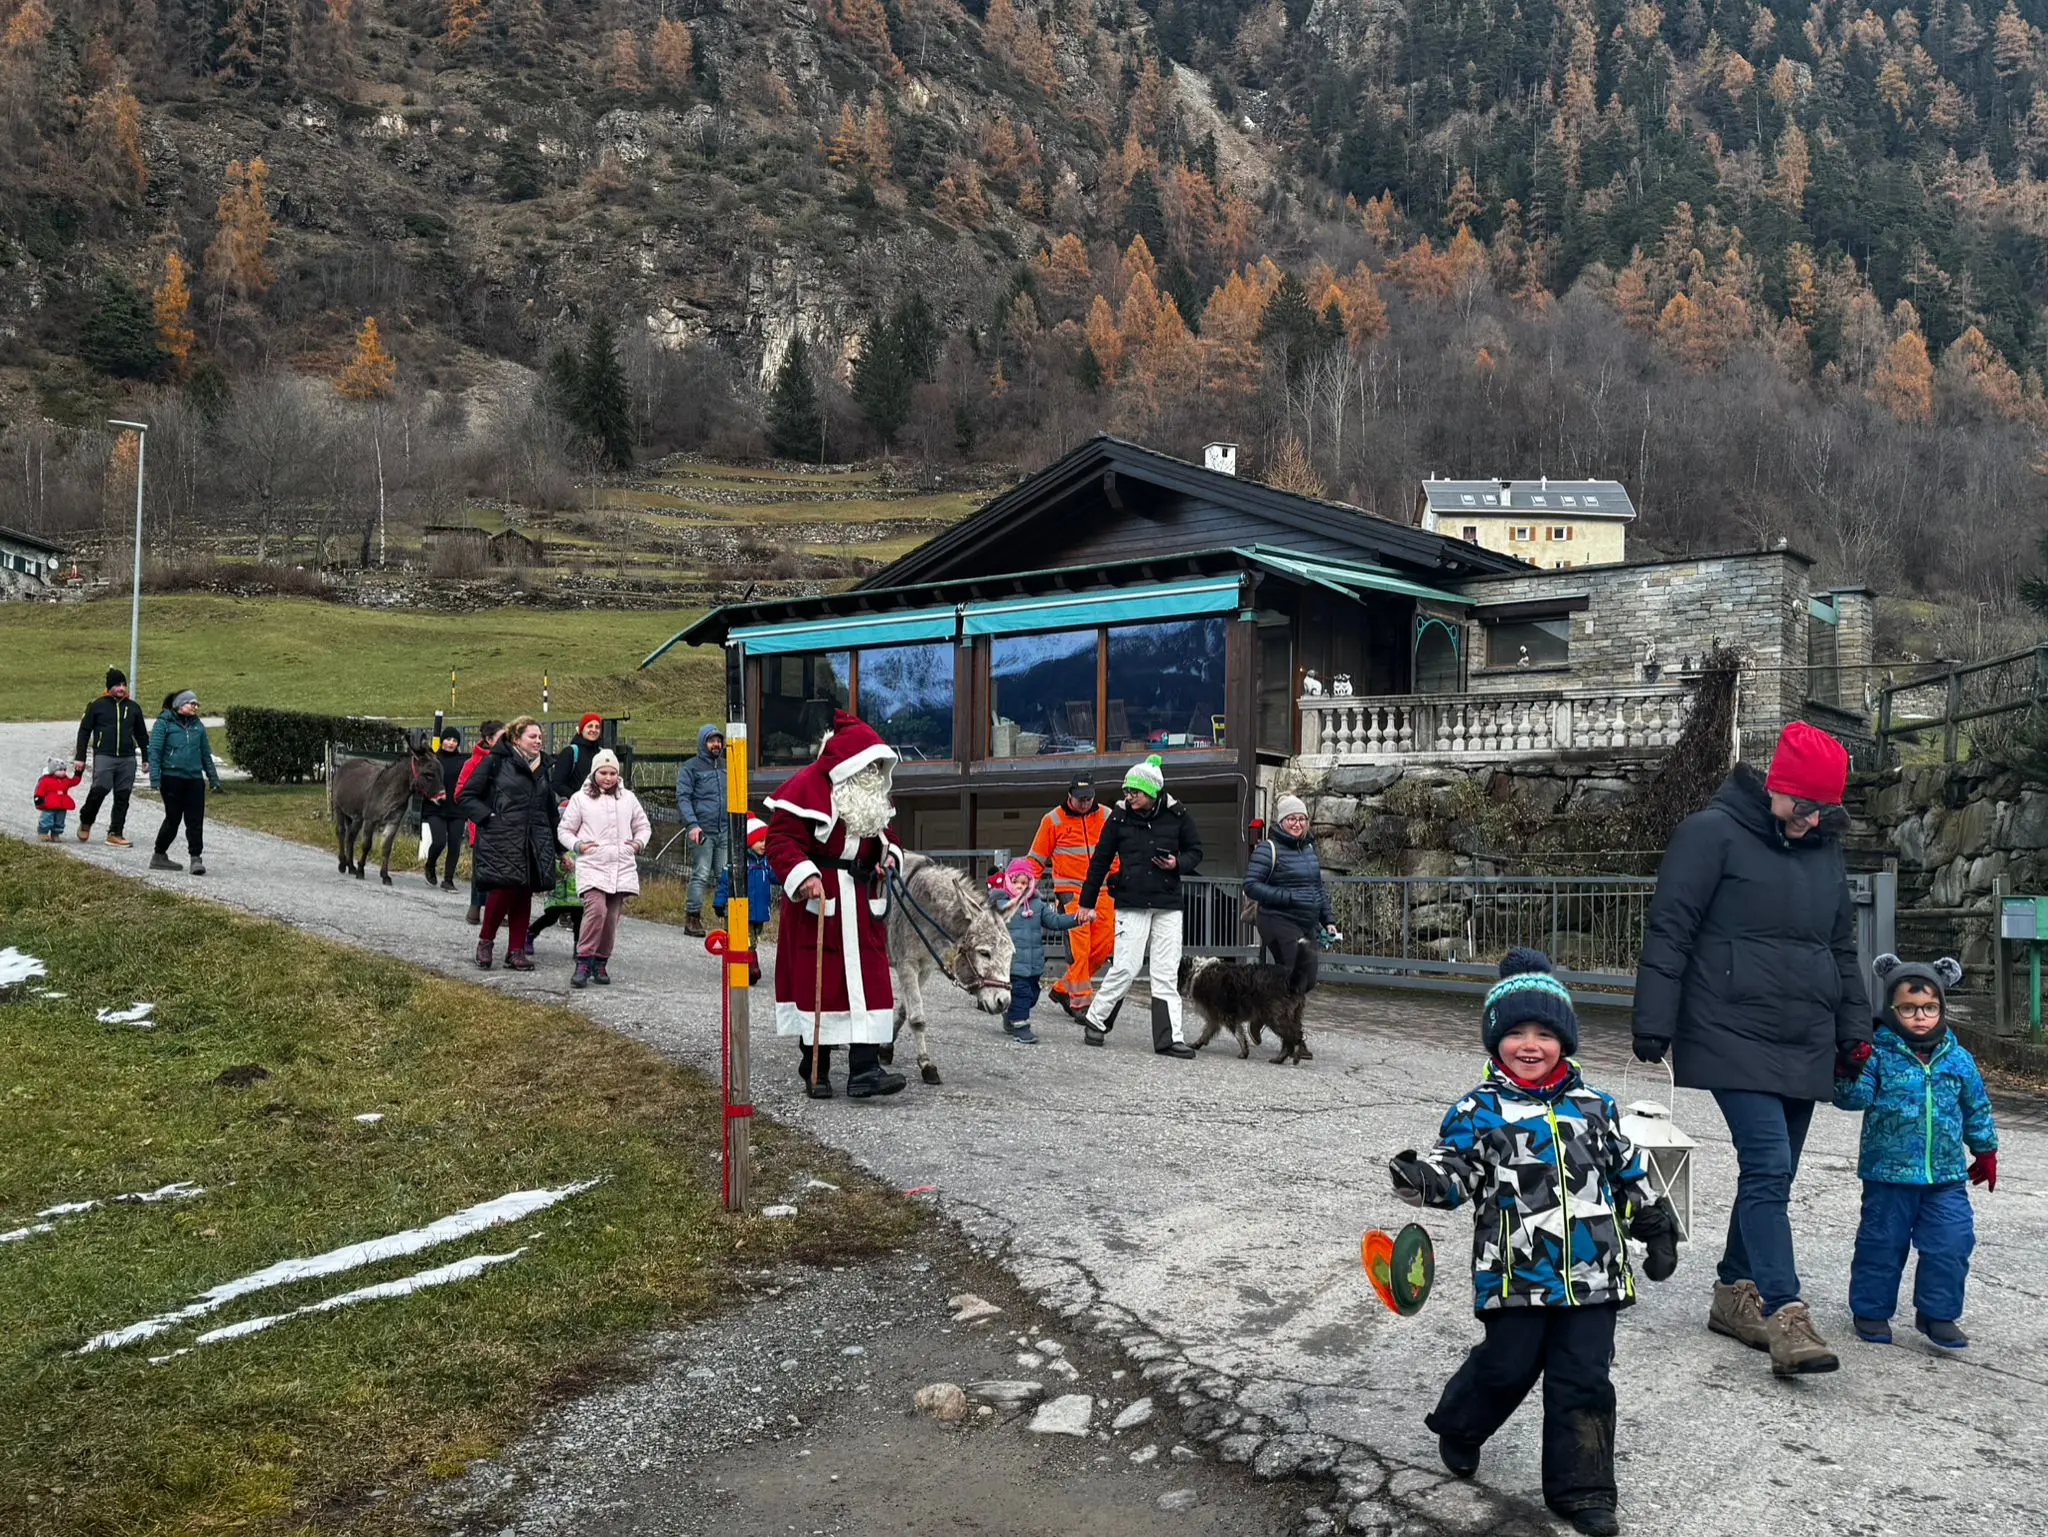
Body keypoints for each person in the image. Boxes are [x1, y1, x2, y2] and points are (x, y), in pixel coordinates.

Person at [1390, 950, 1680, 1537]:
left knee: (1585, 1380)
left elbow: (1630, 1167)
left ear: (1565, 1041)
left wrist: (1656, 1223)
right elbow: (1456, 1170)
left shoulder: (1595, 1106)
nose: (1530, 1044)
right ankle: (1461, 1426)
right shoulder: (1478, 1110)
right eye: (1515, 1032)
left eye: (1545, 1032)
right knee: (1506, 1366)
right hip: (1516, 1275)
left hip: (1596, 1275)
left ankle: (1585, 1490)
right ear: (1494, 1040)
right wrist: (1426, 1179)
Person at [1631, 720, 1870, 1377]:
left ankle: (1734, 1290)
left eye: (1825, 813)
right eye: (1804, 808)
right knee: (1766, 1162)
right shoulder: (1710, 834)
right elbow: (1671, 926)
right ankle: (1786, 1312)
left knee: (1779, 1170)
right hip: (1729, 1026)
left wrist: (1857, 1027)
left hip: (1804, 1034)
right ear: (1779, 788)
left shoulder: (1824, 848)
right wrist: (1654, 1019)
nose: (1811, 822)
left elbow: (1841, 945)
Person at [1833, 953, 1999, 1350]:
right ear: (1891, 1008)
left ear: (1941, 1008)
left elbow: (1976, 1106)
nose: (1920, 1016)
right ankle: (1871, 1309)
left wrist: (1985, 1150)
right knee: (1881, 1243)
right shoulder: (1879, 1055)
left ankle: (1937, 1314)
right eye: (1908, 1008)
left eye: (1929, 1008)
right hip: (1888, 1174)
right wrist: (1848, 1067)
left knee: (1952, 1242)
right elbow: (1853, 1100)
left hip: (1945, 1176)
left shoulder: (1958, 1059)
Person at [759, 709, 906, 1101]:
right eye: (869, 763)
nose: (875, 771)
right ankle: (816, 1069)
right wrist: (804, 875)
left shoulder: (870, 797)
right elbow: (781, 840)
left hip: (860, 900)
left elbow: (887, 837)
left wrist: (889, 857)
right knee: (821, 984)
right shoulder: (807, 785)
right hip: (820, 901)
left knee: (870, 984)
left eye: (879, 764)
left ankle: (865, 1072)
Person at [1074, 755, 1203, 1057]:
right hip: (1131, 902)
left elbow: (1196, 852)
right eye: (1127, 791)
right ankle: (1096, 1019)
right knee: (1126, 968)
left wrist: (1176, 863)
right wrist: (1087, 903)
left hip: (1168, 903)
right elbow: (1100, 862)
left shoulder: (1178, 814)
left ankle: (1169, 1039)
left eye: (1135, 792)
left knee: (1166, 972)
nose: (1129, 797)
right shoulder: (1118, 817)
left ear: (1153, 792)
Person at [458, 715, 560, 971]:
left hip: (533, 840)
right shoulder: (496, 761)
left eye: (540, 737)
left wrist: (559, 847)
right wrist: (489, 818)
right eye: (532, 736)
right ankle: (486, 941)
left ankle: (516, 951)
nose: (538, 741)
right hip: (501, 838)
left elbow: (550, 811)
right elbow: (466, 796)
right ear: (516, 738)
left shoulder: (544, 768)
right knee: (503, 890)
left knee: (524, 892)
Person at [558, 748, 651, 989]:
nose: (608, 778)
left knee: (611, 918)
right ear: (594, 772)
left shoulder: (628, 798)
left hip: (620, 865)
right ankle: (583, 959)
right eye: (603, 772)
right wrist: (578, 845)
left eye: (612, 773)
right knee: (596, 911)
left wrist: (638, 844)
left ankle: (601, 961)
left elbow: (643, 825)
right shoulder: (581, 799)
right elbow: (564, 830)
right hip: (593, 864)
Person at [1026, 776, 1115, 1018]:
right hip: (1071, 892)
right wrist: (1025, 887)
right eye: (1081, 799)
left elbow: (1117, 851)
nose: (1085, 803)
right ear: (1070, 795)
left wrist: (1120, 877)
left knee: (1106, 944)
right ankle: (1080, 1004)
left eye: (1089, 798)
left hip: (1104, 890)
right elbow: (1035, 858)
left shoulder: (1107, 816)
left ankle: (1063, 988)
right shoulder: (1053, 820)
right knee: (1080, 948)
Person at [1244, 794, 1337, 996]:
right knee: (1297, 975)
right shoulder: (1268, 849)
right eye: (1291, 819)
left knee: (1309, 979)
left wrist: (1328, 919)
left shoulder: (1308, 849)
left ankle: (1264, 1009)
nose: (1297, 824)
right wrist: (1286, 896)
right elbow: (1251, 885)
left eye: (1301, 819)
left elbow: (1317, 888)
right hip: (1278, 920)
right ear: (1282, 822)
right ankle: (1285, 1022)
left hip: (1306, 922)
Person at [992, 856, 1085, 1045]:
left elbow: (1056, 922)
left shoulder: (1038, 905)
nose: (1020, 886)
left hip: (1034, 963)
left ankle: (1010, 1016)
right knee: (1022, 994)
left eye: (1024, 882)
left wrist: (1077, 918)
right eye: (1016, 882)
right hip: (1013, 963)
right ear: (1008, 882)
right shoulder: (1001, 906)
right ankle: (1021, 1026)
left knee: (1033, 995)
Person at [147, 690, 223, 875]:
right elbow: (155, 751)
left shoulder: (198, 727)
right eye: (192, 703)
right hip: (171, 778)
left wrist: (214, 779)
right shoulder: (163, 724)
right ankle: (159, 854)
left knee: (195, 820)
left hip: (194, 779)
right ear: (179, 705)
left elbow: (206, 754)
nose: (196, 707)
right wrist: (155, 778)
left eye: (197, 704)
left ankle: (196, 858)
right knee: (173, 818)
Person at [73, 668, 150, 847]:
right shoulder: (97, 705)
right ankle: (86, 820)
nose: (122, 688)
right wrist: (80, 756)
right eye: (117, 685)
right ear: (109, 687)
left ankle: (115, 833)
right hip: (104, 755)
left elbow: (142, 735)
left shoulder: (133, 708)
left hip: (128, 758)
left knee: (123, 796)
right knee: (99, 790)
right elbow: (84, 731)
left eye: (124, 685)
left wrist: (146, 758)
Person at [677, 723, 730, 937]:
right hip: (702, 830)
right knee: (701, 873)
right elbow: (683, 797)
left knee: (725, 875)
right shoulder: (691, 767)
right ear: (702, 742)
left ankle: (729, 918)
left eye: (718, 740)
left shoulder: (727, 765)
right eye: (711, 740)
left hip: (725, 829)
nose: (716, 744)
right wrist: (692, 824)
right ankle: (693, 917)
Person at [455, 720, 505, 925]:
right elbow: (461, 793)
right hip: (482, 825)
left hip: (505, 825)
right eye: (501, 738)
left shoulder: (509, 761)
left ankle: (496, 910)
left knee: (502, 869)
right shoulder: (474, 762)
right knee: (483, 869)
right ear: (489, 740)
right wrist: (484, 816)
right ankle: (475, 907)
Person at [422, 727, 466, 891]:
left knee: (455, 844)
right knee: (440, 841)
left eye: (455, 741)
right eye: (448, 739)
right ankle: (430, 865)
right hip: (435, 807)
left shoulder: (463, 761)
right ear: (442, 741)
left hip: (457, 808)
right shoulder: (432, 759)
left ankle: (448, 880)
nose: (451, 743)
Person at [551, 712, 607, 800]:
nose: (594, 730)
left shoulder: (602, 753)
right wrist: (578, 798)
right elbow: (557, 783)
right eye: (590, 726)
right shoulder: (570, 752)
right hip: (576, 805)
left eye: (597, 727)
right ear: (581, 729)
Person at [34, 756, 83, 842]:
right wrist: (39, 799)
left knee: (60, 821)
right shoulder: (46, 780)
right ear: (53, 771)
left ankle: (56, 834)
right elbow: (40, 790)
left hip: (62, 804)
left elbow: (74, 781)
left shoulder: (65, 780)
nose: (63, 772)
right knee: (46, 818)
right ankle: (43, 832)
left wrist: (78, 773)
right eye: (60, 770)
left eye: (64, 770)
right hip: (49, 804)